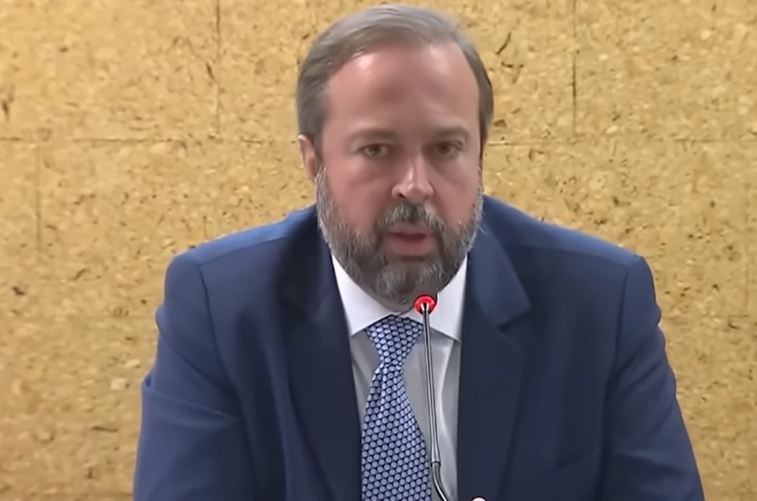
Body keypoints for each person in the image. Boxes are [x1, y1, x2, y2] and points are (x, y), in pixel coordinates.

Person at [132, 3, 704, 500]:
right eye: (377, 149)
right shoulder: (220, 307)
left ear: (480, 154)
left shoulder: (600, 304)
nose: (415, 185)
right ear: (314, 161)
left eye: (446, 148)